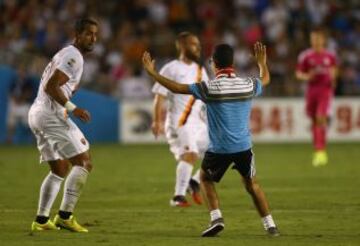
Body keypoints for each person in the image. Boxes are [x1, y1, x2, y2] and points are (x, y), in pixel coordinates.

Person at [142, 42, 279, 237]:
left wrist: (153, 73)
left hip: (219, 149)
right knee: (252, 185)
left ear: (214, 63)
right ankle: (270, 225)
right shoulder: (247, 84)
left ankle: (216, 218)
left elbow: (178, 88)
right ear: (232, 63)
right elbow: (264, 79)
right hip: (243, 147)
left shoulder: (209, 88)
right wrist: (261, 63)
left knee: (205, 179)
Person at [28, 17, 98, 232]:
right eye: (88, 34)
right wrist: (72, 108)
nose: (93, 38)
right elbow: (52, 86)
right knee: (84, 163)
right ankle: (65, 216)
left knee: (60, 169)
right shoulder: (73, 56)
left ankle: (41, 221)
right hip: (50, 115)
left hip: (38, 113)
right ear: (77, 35)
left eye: (95, 35)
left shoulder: (67, 53)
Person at [151, 32, 209, 207]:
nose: (198, 47)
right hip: (179, 121)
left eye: (198, 44)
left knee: (221, 153)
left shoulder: (201, 70)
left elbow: (206, 96)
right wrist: (156, 121)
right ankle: (178, 197)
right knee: (190, 155)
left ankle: (195, 182)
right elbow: (159, 96)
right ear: (182, 46)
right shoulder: (171, 68)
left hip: (198, 122)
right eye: (193, 44)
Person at [296, 28, 338, 167]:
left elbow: (334, 70)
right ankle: (318, 150)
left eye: (317, 39)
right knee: (314, 120)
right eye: (312, 39)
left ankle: (321, 151)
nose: (315, 41)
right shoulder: (306, 56)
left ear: (323, 40)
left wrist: (333, 79)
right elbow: (298, 73)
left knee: (321, 117)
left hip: (325, 91)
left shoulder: (330, 56)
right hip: (312, 90)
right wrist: (308, 76)